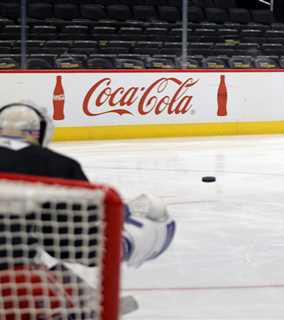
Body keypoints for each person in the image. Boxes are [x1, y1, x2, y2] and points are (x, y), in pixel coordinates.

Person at [0, 101, 175, 318]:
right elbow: (73, 246)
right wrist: (126, 242)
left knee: (46, 268)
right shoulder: (55, 165)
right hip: (14, 286)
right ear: (40, 132)